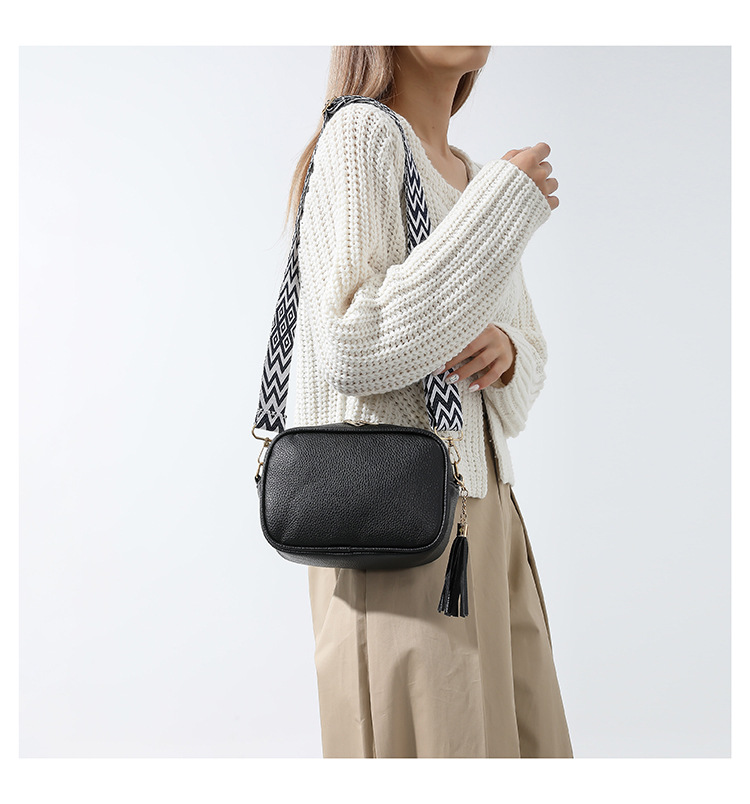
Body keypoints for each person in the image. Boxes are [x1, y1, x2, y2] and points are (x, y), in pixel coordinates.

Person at [287, 45, 573, 758]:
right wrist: (501, 209)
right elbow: (351, 346)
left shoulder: (469, 174)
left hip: (487, 518)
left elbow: (529, 367)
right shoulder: (361, 135)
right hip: (393, 524)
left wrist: (507, 351)